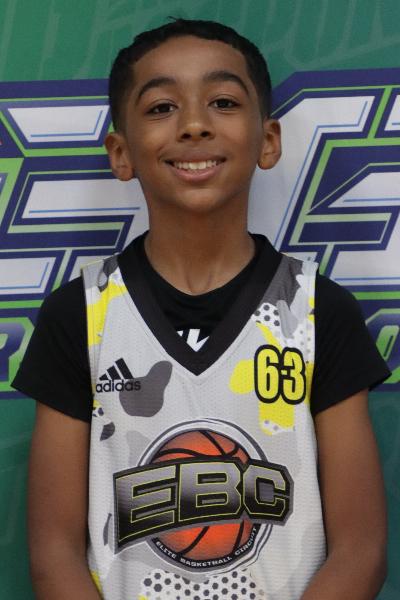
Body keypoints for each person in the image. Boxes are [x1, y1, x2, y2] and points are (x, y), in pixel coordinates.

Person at [13, 18, 390, 600]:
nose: (194, 124)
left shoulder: (318, 310)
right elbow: (53, 554)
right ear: (121, 152)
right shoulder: (80, 314)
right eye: (162, 107)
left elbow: (361, 550)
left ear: (268, 140)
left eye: (223, 102)